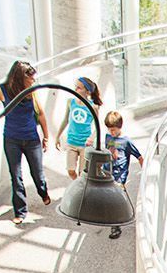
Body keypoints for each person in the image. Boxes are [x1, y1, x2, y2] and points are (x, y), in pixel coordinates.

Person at [0, 60, 50, 224]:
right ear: (20, 77)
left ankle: (43, 191)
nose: (33, 81)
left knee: (37, 174)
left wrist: (46, 136)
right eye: (30, 78)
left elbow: (42, 114)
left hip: (32, 139)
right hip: (12, 140)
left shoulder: (32, 91)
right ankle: (20, 211)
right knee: (16, 177)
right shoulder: (3, 90)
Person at [102, 110, 146, 239]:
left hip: (119, 175)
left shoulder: (126, 141)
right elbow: (109, 152)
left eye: (114, 129)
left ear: (120, 127)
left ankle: (115, 225)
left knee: (115, 199)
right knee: (111, 198)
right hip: (108, 172)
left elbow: (139, 157)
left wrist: (144, 173)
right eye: (109, 129)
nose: (112, 132)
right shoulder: (108, 137)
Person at [61, 75, 102, 180]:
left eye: (79, 88)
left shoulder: (93, 107)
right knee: (70, 170)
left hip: (84, 144)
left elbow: (98, 126)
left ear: (87, 92)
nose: (75, 90)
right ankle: (77, 185)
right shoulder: (71, 102)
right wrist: (58, 136)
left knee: (82, 173)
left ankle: (80, 190)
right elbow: (66, 120)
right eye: (75, 87)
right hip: (71, 142)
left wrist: (92, 138)